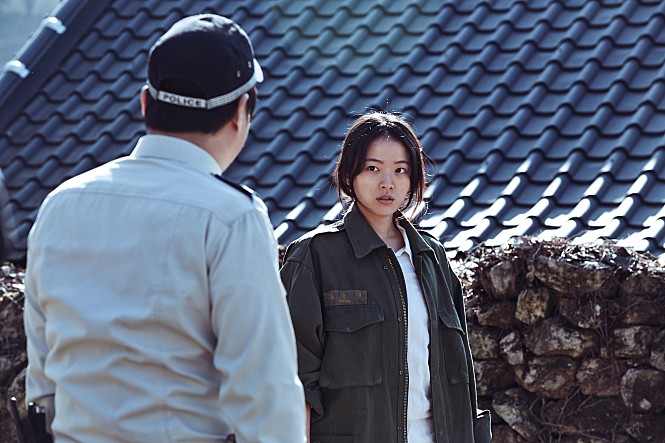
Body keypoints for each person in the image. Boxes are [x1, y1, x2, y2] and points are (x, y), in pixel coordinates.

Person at [24, 14, 306, 443]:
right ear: (241, 112)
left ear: (144, 103)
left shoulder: (61, 204)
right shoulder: (231, 217)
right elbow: (265, 392)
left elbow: (42, 384)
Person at [280, 112, 492, 442]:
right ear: (349, 174)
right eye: (373, 168)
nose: (387, 183)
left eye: (400, 170)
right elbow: (294, 377)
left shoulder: (432, 258)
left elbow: (459, 374)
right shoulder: (316, 256)